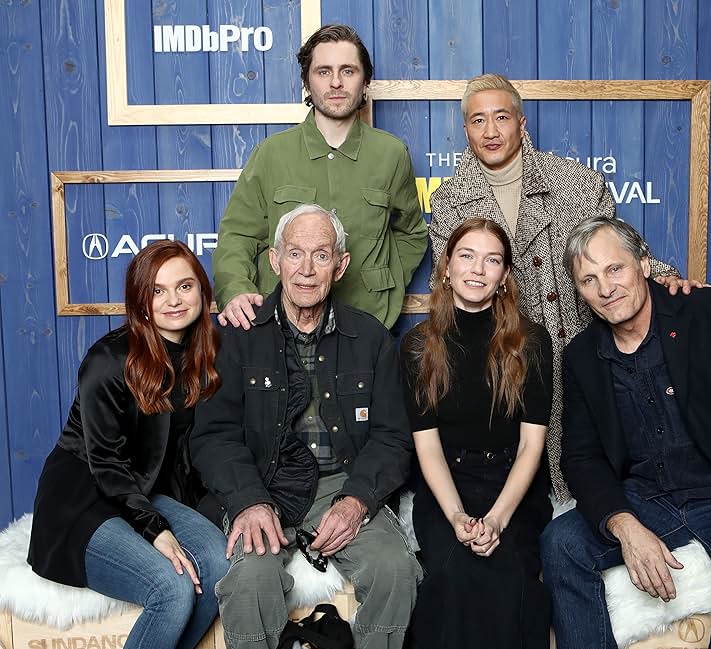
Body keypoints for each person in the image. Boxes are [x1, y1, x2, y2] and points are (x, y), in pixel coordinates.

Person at [540, 216, 711, 649]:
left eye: (615, 269)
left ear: (644, 264)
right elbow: (580, 456)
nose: (606, 288)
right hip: (648, 500)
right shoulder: (582, 356)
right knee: (561, 543)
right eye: (589, 279)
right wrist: (625, 524)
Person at [429, 73, 697, 500]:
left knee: (590, 471)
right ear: (465, 130)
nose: (491, 131)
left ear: (522, 122)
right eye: (478, 121)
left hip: (578, 343)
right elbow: (448, 285)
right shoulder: (448, 200)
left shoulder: (576, 182)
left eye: (502, 117)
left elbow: (619, 250)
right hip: (501, 360)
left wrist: (665, 277)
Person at [191, 204, 422, 649]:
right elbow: (214, 436)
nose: (307, 270)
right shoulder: (240, 336)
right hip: (265, 484)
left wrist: (357, 501)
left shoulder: (371, 338)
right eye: (295, 254)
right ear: (275, 261)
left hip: (344, 484)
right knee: (250, 582)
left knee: (394, 570)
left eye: (321, 255)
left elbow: (393, 437)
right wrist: (248, 501)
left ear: (341, 264)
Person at [27, 241, 228, 649]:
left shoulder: (207, 354)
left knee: (218, 563)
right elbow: (104, 461)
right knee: (171, 588)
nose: (173, 300)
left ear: (202, 292)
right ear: (140, 300)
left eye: (184, 286)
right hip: (83, 496)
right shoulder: (108, 359)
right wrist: (156, 530)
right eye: (157, 290)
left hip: (146, 488)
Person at [213, 24, 428, 331]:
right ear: (307, 81)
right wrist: (235, 288)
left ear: (365, 81)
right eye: (324, 71)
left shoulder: (391, 154)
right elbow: (238, 235)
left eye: (348, 71)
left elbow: (412, 233)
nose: (337, 82)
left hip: (366, 324)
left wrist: (384, 282)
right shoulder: (272, 153)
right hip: (280, 329)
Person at [401, 218, 553, 649]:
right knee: (452, 575)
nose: (477, 269)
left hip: (514, 488)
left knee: (508, 578)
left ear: (505, 276)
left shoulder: (532, 342)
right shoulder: (417, 347)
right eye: (466, 256)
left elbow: (531, 447)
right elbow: (427, 447)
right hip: (447, 485)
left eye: (492, 261)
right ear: (447, 266)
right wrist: (456, 517)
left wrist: (497, 520)